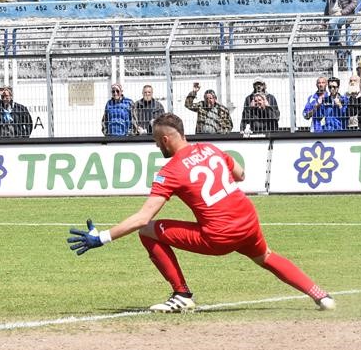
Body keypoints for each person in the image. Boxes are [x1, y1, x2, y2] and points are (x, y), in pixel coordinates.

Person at [66, 113, 335, 312]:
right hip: (248, 221)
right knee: (266, 257)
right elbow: (240, 174)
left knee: (148, 231)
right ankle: (320, 295)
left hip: (219, 235)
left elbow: (142, 218)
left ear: (166, 139)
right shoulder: (210, 148)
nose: (157, 147)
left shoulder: (170, 171)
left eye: (156, 142)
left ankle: (181, 294)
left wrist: (101, 238)